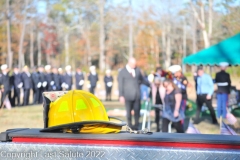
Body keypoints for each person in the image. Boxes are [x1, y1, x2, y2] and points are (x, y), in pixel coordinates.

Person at [118, 57, 149, 130]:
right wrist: (121, 95)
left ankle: (136, 125)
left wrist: (150, 84)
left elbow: (142, 80)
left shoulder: (137, 70)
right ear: (129, 63)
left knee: (137, 111)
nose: (135, 66)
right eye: (133, 64)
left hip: (137, 95)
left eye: (135, 64)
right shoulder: (122, 72)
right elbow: (120, 84)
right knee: (128, 112)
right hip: (127, 95)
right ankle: (129, 126)